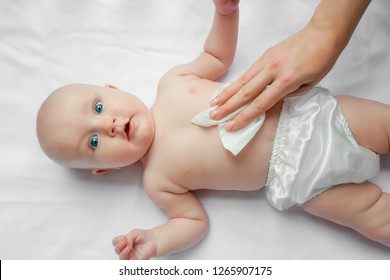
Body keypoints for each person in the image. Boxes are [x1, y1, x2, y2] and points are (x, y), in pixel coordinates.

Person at [36, 0, 390, 260]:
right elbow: (191, 221)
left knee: (383, 125)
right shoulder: (157, 181)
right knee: (375, 218)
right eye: (93, 141)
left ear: (113, 90)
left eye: (98, 108)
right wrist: (156, 240)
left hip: (308, 116)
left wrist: (225, 14)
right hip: (303, 181)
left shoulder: (172, 83)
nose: (108, 124)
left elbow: (217, 57)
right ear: (104, 170)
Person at [209, 0, 372, 131]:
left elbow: (214, 57)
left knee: (371, 123)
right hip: (284, 167)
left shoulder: (182, 75)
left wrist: (226, 14)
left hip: (302, 108)